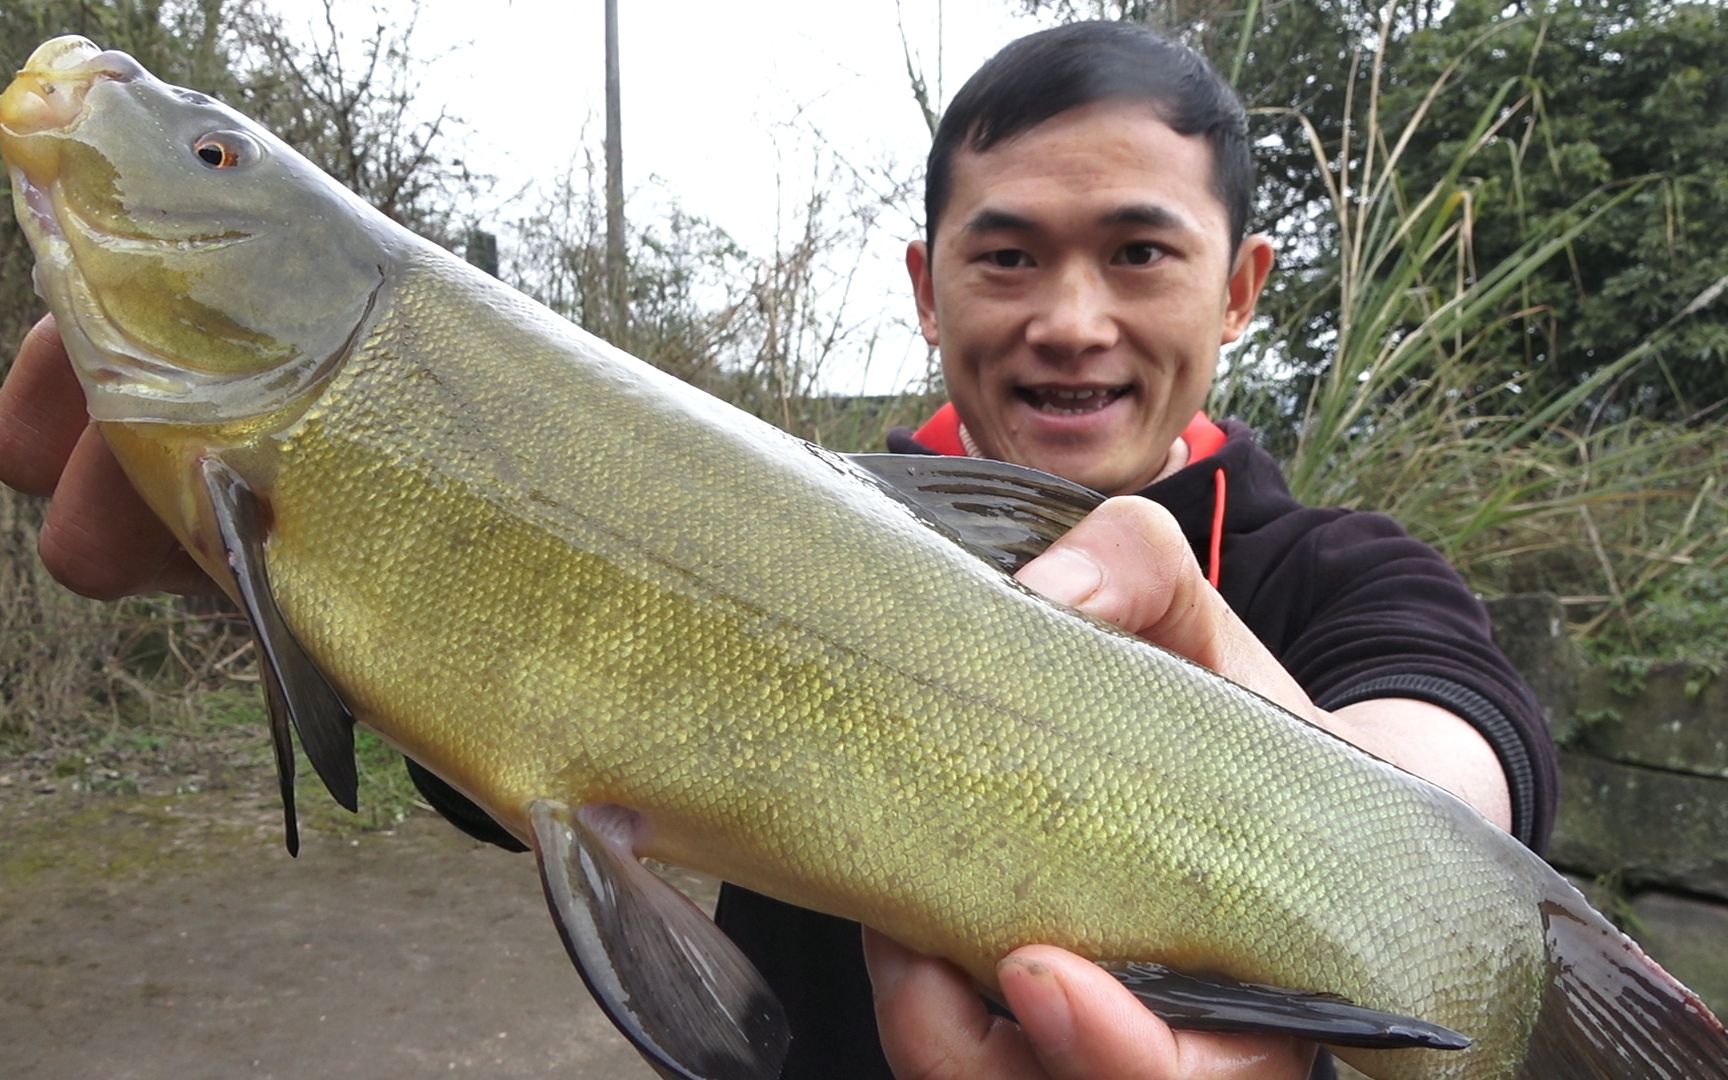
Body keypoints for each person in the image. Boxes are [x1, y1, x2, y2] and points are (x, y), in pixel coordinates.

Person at [0, 20, 1555, 1080]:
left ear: (1240, 290)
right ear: (927, 287)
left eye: (1140, 253)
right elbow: (510, 741)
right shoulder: (750, 504)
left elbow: (1449, 754)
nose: (1070, 320)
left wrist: (1425, 875)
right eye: (1006, 256)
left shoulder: (1349, 573)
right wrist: (326, 578)